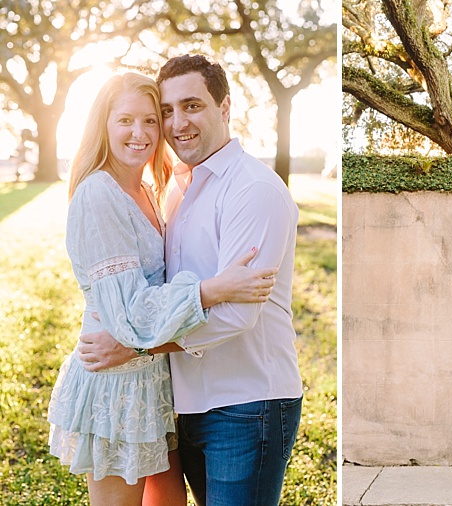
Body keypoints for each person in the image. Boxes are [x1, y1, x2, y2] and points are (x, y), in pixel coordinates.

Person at [77, 55, 304, 506]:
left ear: (224, 108)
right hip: (186, 402)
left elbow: (238, 314)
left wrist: (136, 345)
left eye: (193, 105)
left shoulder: (252, 189)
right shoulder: (178, 188)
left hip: (246, 403)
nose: (177, 122)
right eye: (167, 110)